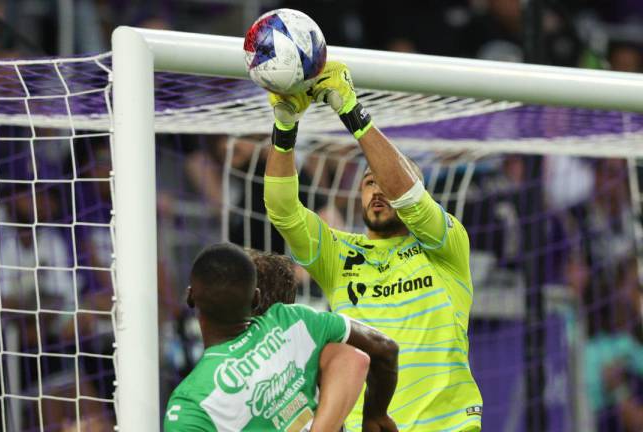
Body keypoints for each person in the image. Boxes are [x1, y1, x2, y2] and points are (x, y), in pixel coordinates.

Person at [264, 61, 483, 431]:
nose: (378, 190)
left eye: (386, 179)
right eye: (369, 182)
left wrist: (351, 110)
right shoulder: (337, 254)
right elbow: (282, 210)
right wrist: (285, 124)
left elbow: (409, 197)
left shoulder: (445, 244)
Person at [164, 243, 399, 431]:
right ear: (254, 299)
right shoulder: (293, 323)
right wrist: (375, 415)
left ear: (190, 297)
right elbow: (366, 355)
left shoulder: (189, 404)